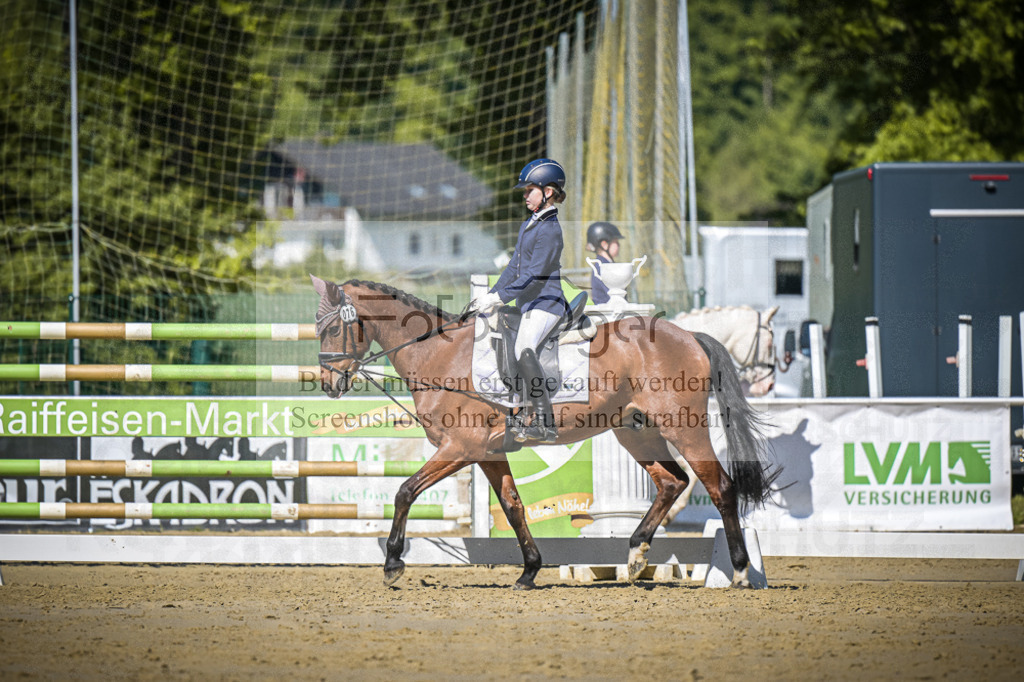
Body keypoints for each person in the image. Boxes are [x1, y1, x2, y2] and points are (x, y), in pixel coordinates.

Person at [467, 158, 569, 443]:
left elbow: (535, 275)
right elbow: (514, 267)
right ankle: (513, 410)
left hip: (546, 302)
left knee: (525, 346)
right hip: (528, 304)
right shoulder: (531, 223)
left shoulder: (550, 229)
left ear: (548, 191)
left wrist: (500, 297)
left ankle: (544, 421)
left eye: (529, 190)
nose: (524, 195)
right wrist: (490, 296)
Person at [585, 221, 624, 305]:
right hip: (607, 313)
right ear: (604, 244)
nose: (619, 245)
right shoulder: (603, 267)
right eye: (616, 242)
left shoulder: (605, 264)